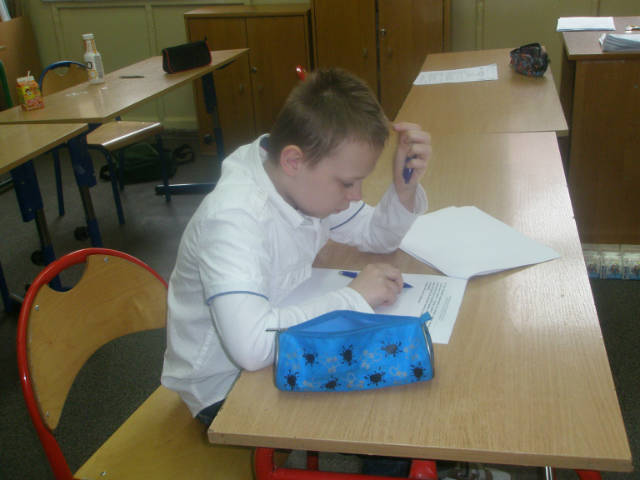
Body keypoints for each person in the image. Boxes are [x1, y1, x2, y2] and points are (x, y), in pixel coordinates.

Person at [161, 67, 431, 427]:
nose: (356, 196)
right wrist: (353, 298)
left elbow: (376, 237)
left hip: (280, 338)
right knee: (386, 413)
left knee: (402, 376)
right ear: (293, 161)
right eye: (347, 183)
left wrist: (403, 189)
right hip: (226, 388)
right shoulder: (233, 219)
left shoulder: (298, 184)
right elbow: (252, 348)